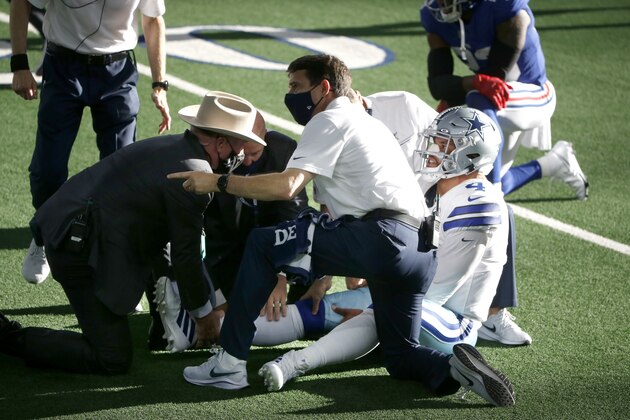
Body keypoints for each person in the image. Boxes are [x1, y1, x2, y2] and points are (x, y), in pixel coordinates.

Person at [168, 54, 515, 407]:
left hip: (380, 237)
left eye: (296, 86)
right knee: (401, 355)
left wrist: (216, 182)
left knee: (261, 243)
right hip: (419, 252)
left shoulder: (329, 120)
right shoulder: (373, 126)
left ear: (325, 87)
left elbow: (288, 187)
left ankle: (228, 364)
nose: (290, 94)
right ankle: (455, 368)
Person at [256, 106, 517, 397]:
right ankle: (225, 335)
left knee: (373, 315)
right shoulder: (436, 185)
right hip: (413, 291)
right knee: (318, 310)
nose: (433, 149)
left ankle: (293, 363)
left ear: (472, 156)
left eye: (445, 144)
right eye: (436, 140)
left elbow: (441, 287)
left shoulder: (478, 202)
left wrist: (381, 310)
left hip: (451, 320)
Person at [0, 92, 265, 374]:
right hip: (76, 244)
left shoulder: (174, 147)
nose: (242, 157)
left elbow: (164, 240)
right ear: (221, 143)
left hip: (75, 226)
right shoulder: (194, 174)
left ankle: (160, 330)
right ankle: (8, 336)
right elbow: (185, 253)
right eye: (240, 147)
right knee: (111, 356)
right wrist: (203, 316)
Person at [10, 0, 172, 285]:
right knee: (48, 170)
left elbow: (153, 20)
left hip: (117, 70)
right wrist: (19, 62)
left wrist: (160, 84)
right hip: (63, 66)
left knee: (121, 175)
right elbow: (22, 2)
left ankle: (117, 263)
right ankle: (44, 236)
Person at [353, 90, 531, 345]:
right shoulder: (334, 133)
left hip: (435, 180)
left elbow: (455, 136)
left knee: (498, 211)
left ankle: (494, 311)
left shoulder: (402, 105)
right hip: (396, 199)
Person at [148, 112, 310, 352]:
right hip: (224, 247)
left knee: (308, 260)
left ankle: (193, 322)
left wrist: (281, 274)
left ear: (266, 140)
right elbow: (200, 234)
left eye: (255, 153)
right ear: (225, 144)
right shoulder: (211, 160)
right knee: (175, 251)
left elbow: (292, 218)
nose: (247, 162)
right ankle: (183, 306)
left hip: (265, 244)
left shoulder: (283, 150)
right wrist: (213, 297)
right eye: (242, 153)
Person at [420, 0, 588, 199]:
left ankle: (490, 197)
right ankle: (555, 162)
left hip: (534, 93)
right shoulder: (433, 17)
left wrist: (466, 86)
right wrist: (463, 88)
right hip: (494, 105)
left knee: (477, 98)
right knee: (488, 179)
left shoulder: (502, 7)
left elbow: (495, 78)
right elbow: (438, 85)